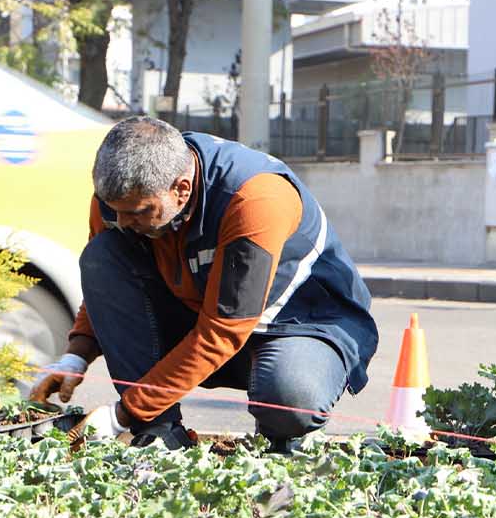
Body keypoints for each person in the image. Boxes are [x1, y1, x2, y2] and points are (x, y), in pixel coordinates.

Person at [29, 117, 379, 452]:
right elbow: (106, 283)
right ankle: (158, 434)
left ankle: (279, 445)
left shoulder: (255, 199)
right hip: (207, 319)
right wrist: (76, 354)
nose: (121, 221)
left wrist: (122, 416)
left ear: (181, 189)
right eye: (113, 209)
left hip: (301, 324)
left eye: (137, 212)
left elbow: (223, 330)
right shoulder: (121, 200)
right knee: (101, 253)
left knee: (290, 398)